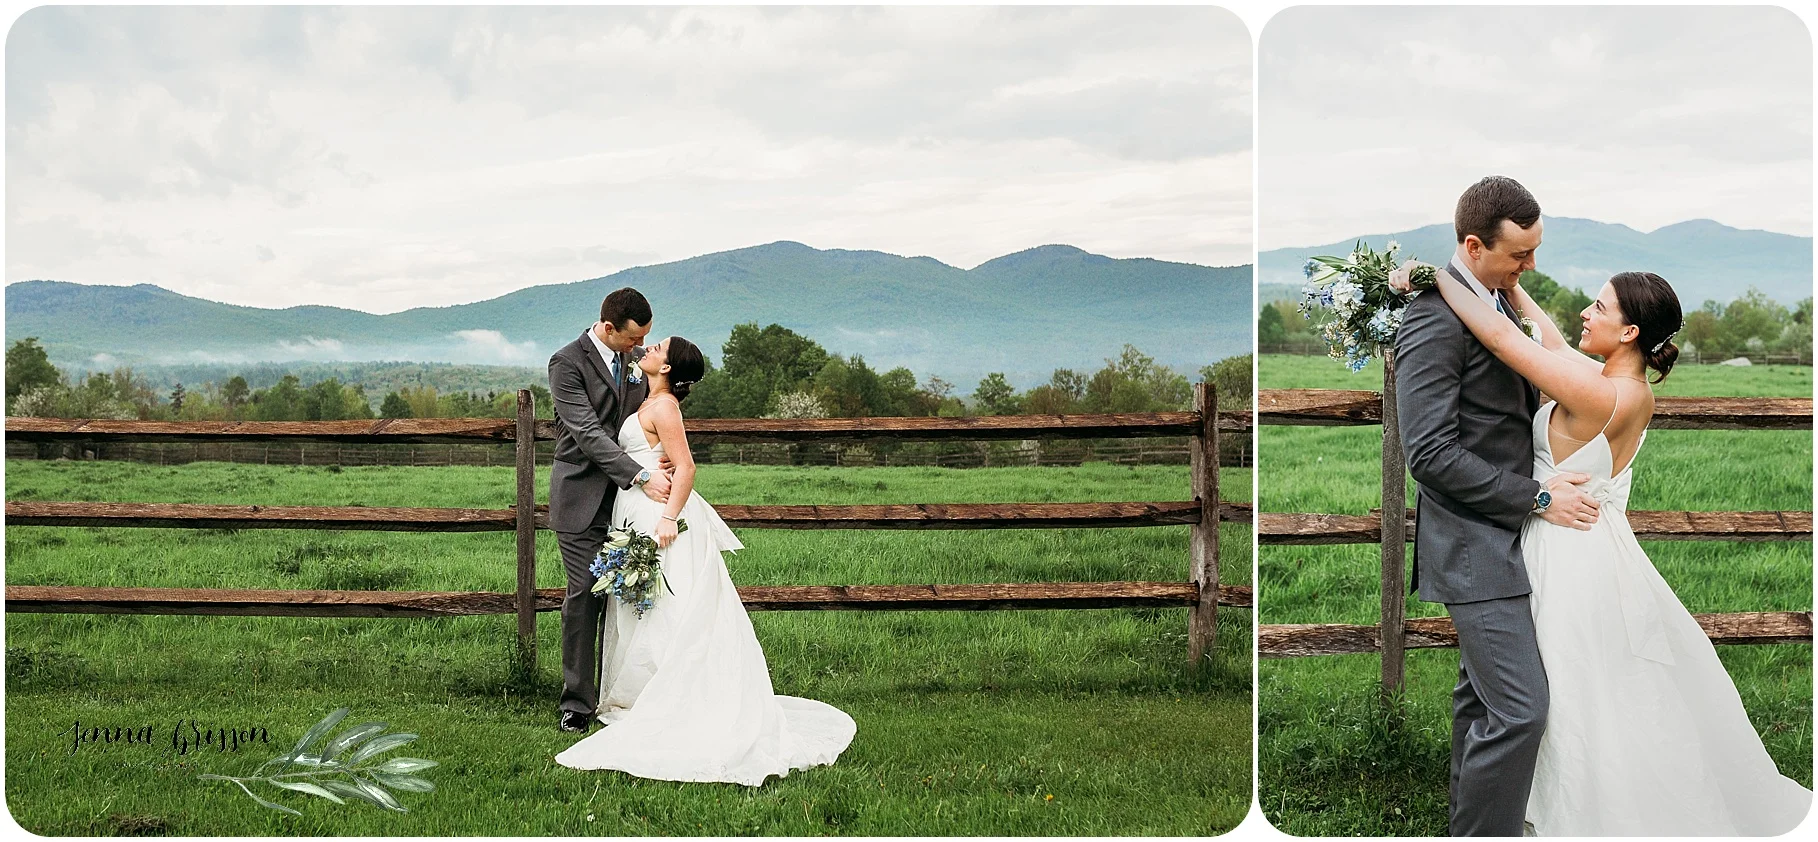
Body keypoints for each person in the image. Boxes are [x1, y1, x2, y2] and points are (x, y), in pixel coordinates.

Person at [1396, 257, 1814, 835]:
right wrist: (1513, 287)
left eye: (1599, 307)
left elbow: (1501, 339)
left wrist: (1437, 277)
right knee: (1570, 684)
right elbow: (1554, 341)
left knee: (1560, 694)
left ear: (1630, 333)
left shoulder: (1601, 397)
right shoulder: (1619, 386)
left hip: (1563, 550)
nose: (1585, 313)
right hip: (1596, 545)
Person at [1394, 176, 1602, 836]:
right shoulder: (1433, 318)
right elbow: (1427, 453)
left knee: (1480, 701)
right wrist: (1535, 495)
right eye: (1520, 255)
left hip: (1511, 538)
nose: (1531, 266)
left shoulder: (1491, 298)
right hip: (1473, 542)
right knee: (1520, 709)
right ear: (1475, 245)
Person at [555, 336, 856, 785]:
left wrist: (670, 518)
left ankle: (676, 697)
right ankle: (639, 695)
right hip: (634, 507)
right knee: (644, 606)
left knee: (670, 608)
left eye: (657, 346)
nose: (648, 347)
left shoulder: (664, 406)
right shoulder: (645, 394)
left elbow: (687, 466)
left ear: (668, 369)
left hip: (658, 514)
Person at [547, 288, 673, 735]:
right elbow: (585, 431)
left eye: (644, 339)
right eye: (632, 338)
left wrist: (664, 450)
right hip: (581, 497)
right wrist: (640, 473)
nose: (638, 347)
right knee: (585, 593)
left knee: (632, 597)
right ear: (608, 328)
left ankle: (625, 691)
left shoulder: (636, 362)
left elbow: (654, 407)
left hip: (629, 507)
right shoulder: (566, 363)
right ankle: (576, 704)